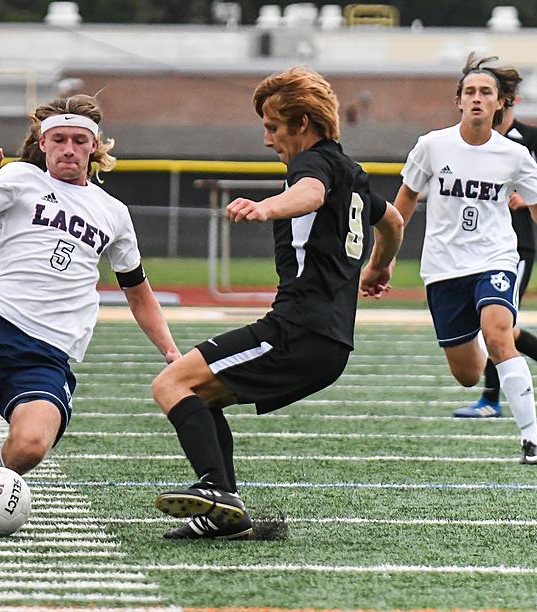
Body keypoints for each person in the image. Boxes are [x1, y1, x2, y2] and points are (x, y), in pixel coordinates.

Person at [0, 94, 181, 513]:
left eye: (79, 140)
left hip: (49, 353)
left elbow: (138, 291)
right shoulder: (20, 177)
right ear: (43, 142)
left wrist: (169, 349)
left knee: (31, 446)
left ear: (94, 147)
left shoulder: (113, 212)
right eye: (59, 139)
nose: (69, 149)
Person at [150, 67, 405, 540]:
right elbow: (392, 222)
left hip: (298, 331)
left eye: (272, 126)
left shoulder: (313, 166)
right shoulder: (352, 173)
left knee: (170, 384)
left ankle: (217, 491)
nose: (267, 139)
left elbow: (309, 193)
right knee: (200, 392)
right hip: (327, 342)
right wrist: (380, 266)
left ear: (302, 123)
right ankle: (222, 513)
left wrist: (267, 206)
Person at [393, 54, 537, 464]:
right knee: (466, 375)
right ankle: (479, 341)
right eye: (470, 92)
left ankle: (532, 440)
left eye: (486, 93)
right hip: (443, 267)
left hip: (495, 258)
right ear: (458, 100)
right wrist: (384, 259)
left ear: (500, 103)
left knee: (500, 333)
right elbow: (404, 200)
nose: (477, 99)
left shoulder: (516, 154)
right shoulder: (431, 145)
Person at [454, 59, 537, 418]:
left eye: (495, 96)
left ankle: (491, 399)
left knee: (497, 326)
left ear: (506, 102)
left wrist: (535, 194)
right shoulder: (474, 139)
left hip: (515, 246)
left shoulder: (528, 139)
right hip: (477, 245)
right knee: (499, 327)